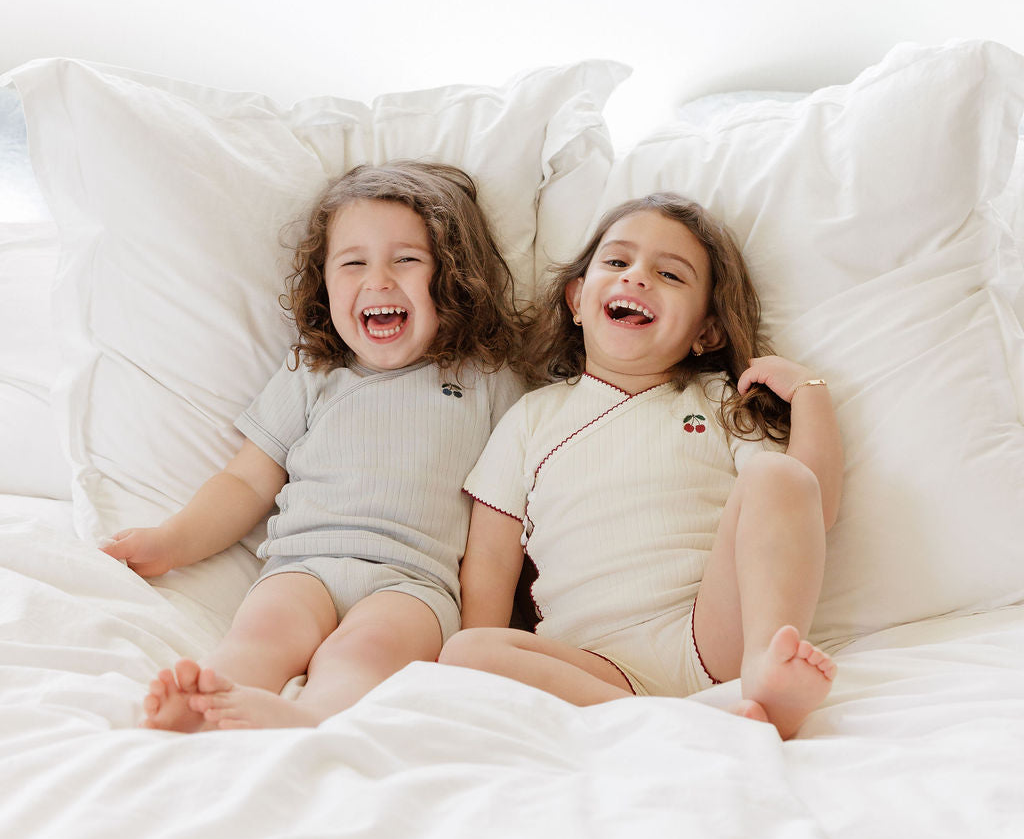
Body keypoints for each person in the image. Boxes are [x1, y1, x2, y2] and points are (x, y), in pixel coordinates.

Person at [103, 161, 525, 731]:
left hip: (412, 584)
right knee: (262, 633)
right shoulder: (312, 371)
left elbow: (498, 528)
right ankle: (206, 703)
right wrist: (170, 542)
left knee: (363, 653)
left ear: (452, 276)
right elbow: (247, 480)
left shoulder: (488, 382)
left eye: (406, 259)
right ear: (325, 283)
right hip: (303, 565)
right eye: (353, 263)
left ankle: (312, 720)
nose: (378, 280)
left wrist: (478, 642)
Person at [439, 192, 843, 739]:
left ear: (707, 331)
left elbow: (810, 506)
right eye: (617, 261)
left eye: (670, 274)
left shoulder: (719, 402)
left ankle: (767, 670)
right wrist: (477, 675)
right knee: (466, 651)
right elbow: (489, 559)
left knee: (778, 474)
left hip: (710, 637)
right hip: (591, 665)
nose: (637, 277)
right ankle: (680, 726)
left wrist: (810, 394)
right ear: (577, 299)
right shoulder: (531, 417)